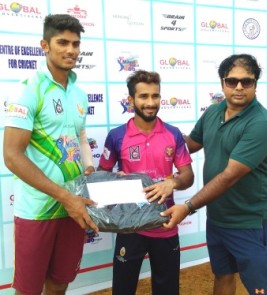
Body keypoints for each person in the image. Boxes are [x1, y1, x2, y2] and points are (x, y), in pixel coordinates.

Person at [161, 54, 267, 295]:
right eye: (231, 80)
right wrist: (155, 139)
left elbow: (229, 176)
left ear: (255, 84)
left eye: (246, 81)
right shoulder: (213, 112)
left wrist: (189, 207)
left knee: (258, 289)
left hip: (249, 221)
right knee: (223, 275)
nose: (238, 87)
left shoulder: (261, 124)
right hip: (218, 218)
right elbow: (189, 144)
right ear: (222, 83)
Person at [3, 14, 98, 295]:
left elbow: (80, 136)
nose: (71, 50)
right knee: (29, 290)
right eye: (63, 42)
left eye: (76, 44)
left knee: (60, 283)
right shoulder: (28, 90)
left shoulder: (79, 93)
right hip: (39, 210)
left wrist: (89, 167)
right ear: (45, 45)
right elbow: (12, 155)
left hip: (73, 207)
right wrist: (66, 197)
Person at [97, 69, 194, 295]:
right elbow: (102, 176)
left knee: (167, 289)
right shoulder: (117, 136)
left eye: (155, 96)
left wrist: (173, 183)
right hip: (129, 228)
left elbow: (188, 176)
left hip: (165, 224)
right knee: (123, 289)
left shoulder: (173, 134)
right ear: (131, 100)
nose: (150, 102)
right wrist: (113, 181)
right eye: (143, 96)